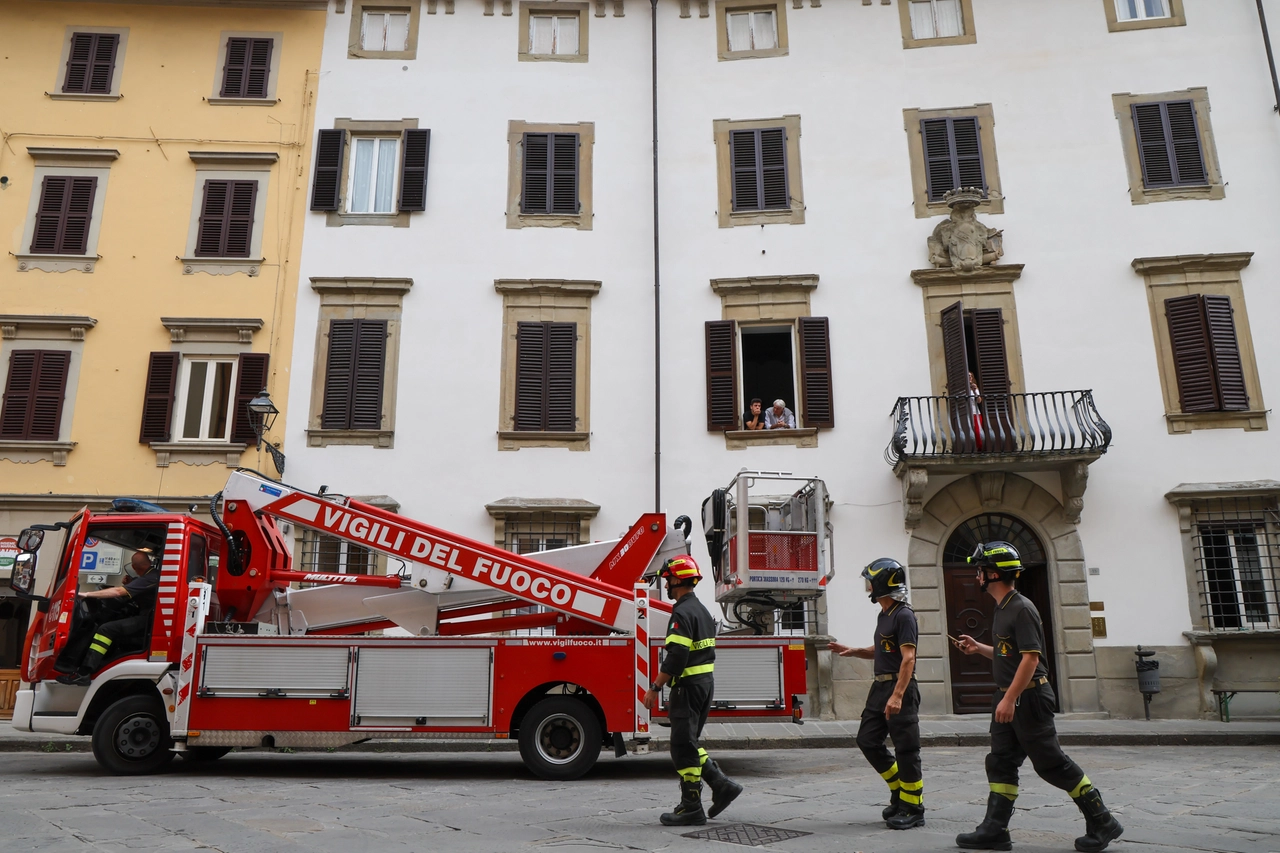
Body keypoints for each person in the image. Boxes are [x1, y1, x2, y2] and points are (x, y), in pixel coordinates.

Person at [953, 542, 1123, 853]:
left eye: (980, 570)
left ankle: (1103, 820)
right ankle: (995, 829)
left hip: (1028, 698)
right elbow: (1011, 656)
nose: (977, 576)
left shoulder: (1022, 608)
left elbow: (1031, 660)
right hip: (1011, 696)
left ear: (993, 574)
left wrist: (1009, 699)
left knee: (1051, 764)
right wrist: (979, 648)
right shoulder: (1003, 609)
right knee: (1000, 761)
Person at [643, 555, 742, 826]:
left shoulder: (682, 613)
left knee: (682, 746)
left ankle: (692, 806)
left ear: (677, 579)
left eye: (668, 579)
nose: (666, 584)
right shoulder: (701, 610)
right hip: (703, 685)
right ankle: (720, 786)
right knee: (688, 744)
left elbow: (676, 656)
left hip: (686, 688)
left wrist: (655, 687)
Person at [829, 558, 924, 830]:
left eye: (870, 580)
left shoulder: (904, 615)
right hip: (880, 687)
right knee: (868, 740)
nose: (867, 585)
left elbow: (908, 659)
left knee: (907, 749)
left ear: (882, 583)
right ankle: (899, 791)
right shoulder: (885, 614)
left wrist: (897, 696)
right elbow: (882, 650)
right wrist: (853, 650)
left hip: (899, 688)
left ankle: (913, 807)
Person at [55, 550, 160, 686]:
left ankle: (84, 672)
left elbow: (117, 592)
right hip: (150, 618)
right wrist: (132, 582)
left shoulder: (151, 577)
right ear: (149, 562)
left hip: (148, 620)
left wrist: (87, 594)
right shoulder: (152, 576)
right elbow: (140, 588)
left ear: (134, 567)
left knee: (106, 630)